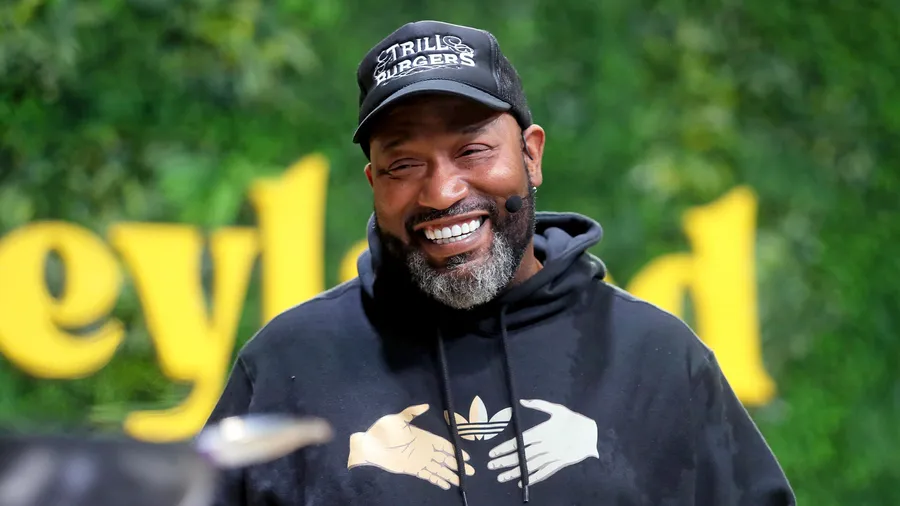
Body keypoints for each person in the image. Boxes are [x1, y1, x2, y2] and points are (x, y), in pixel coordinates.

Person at [206, 20, 796, 506]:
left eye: (472, 150)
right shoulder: (289, 365)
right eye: (403, 164)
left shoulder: (654, 358)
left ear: (531, 156)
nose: (441, 192)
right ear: (373, 183)